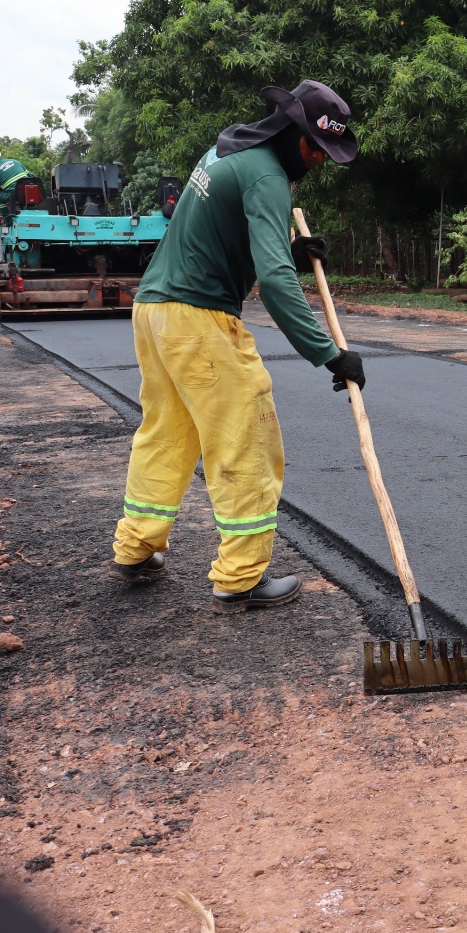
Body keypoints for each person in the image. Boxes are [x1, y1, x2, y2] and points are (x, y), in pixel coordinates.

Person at [108, 79, 366, 613]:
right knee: (245, 434)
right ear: (297, 135)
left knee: (166, 432)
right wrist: (329, 354)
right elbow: (272, 282)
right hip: (198, 318)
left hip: (155, 309)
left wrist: (291, 247)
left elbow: (221, 232)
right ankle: (242, 576)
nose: (319, 161)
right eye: (318, 149)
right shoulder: (268, 177)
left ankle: (135, 548)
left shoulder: (229, 149)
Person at [0, 150, 37, 218]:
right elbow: (30, 175)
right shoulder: (14, 161)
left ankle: (7, 217)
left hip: (14, 196)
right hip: (29, 193)